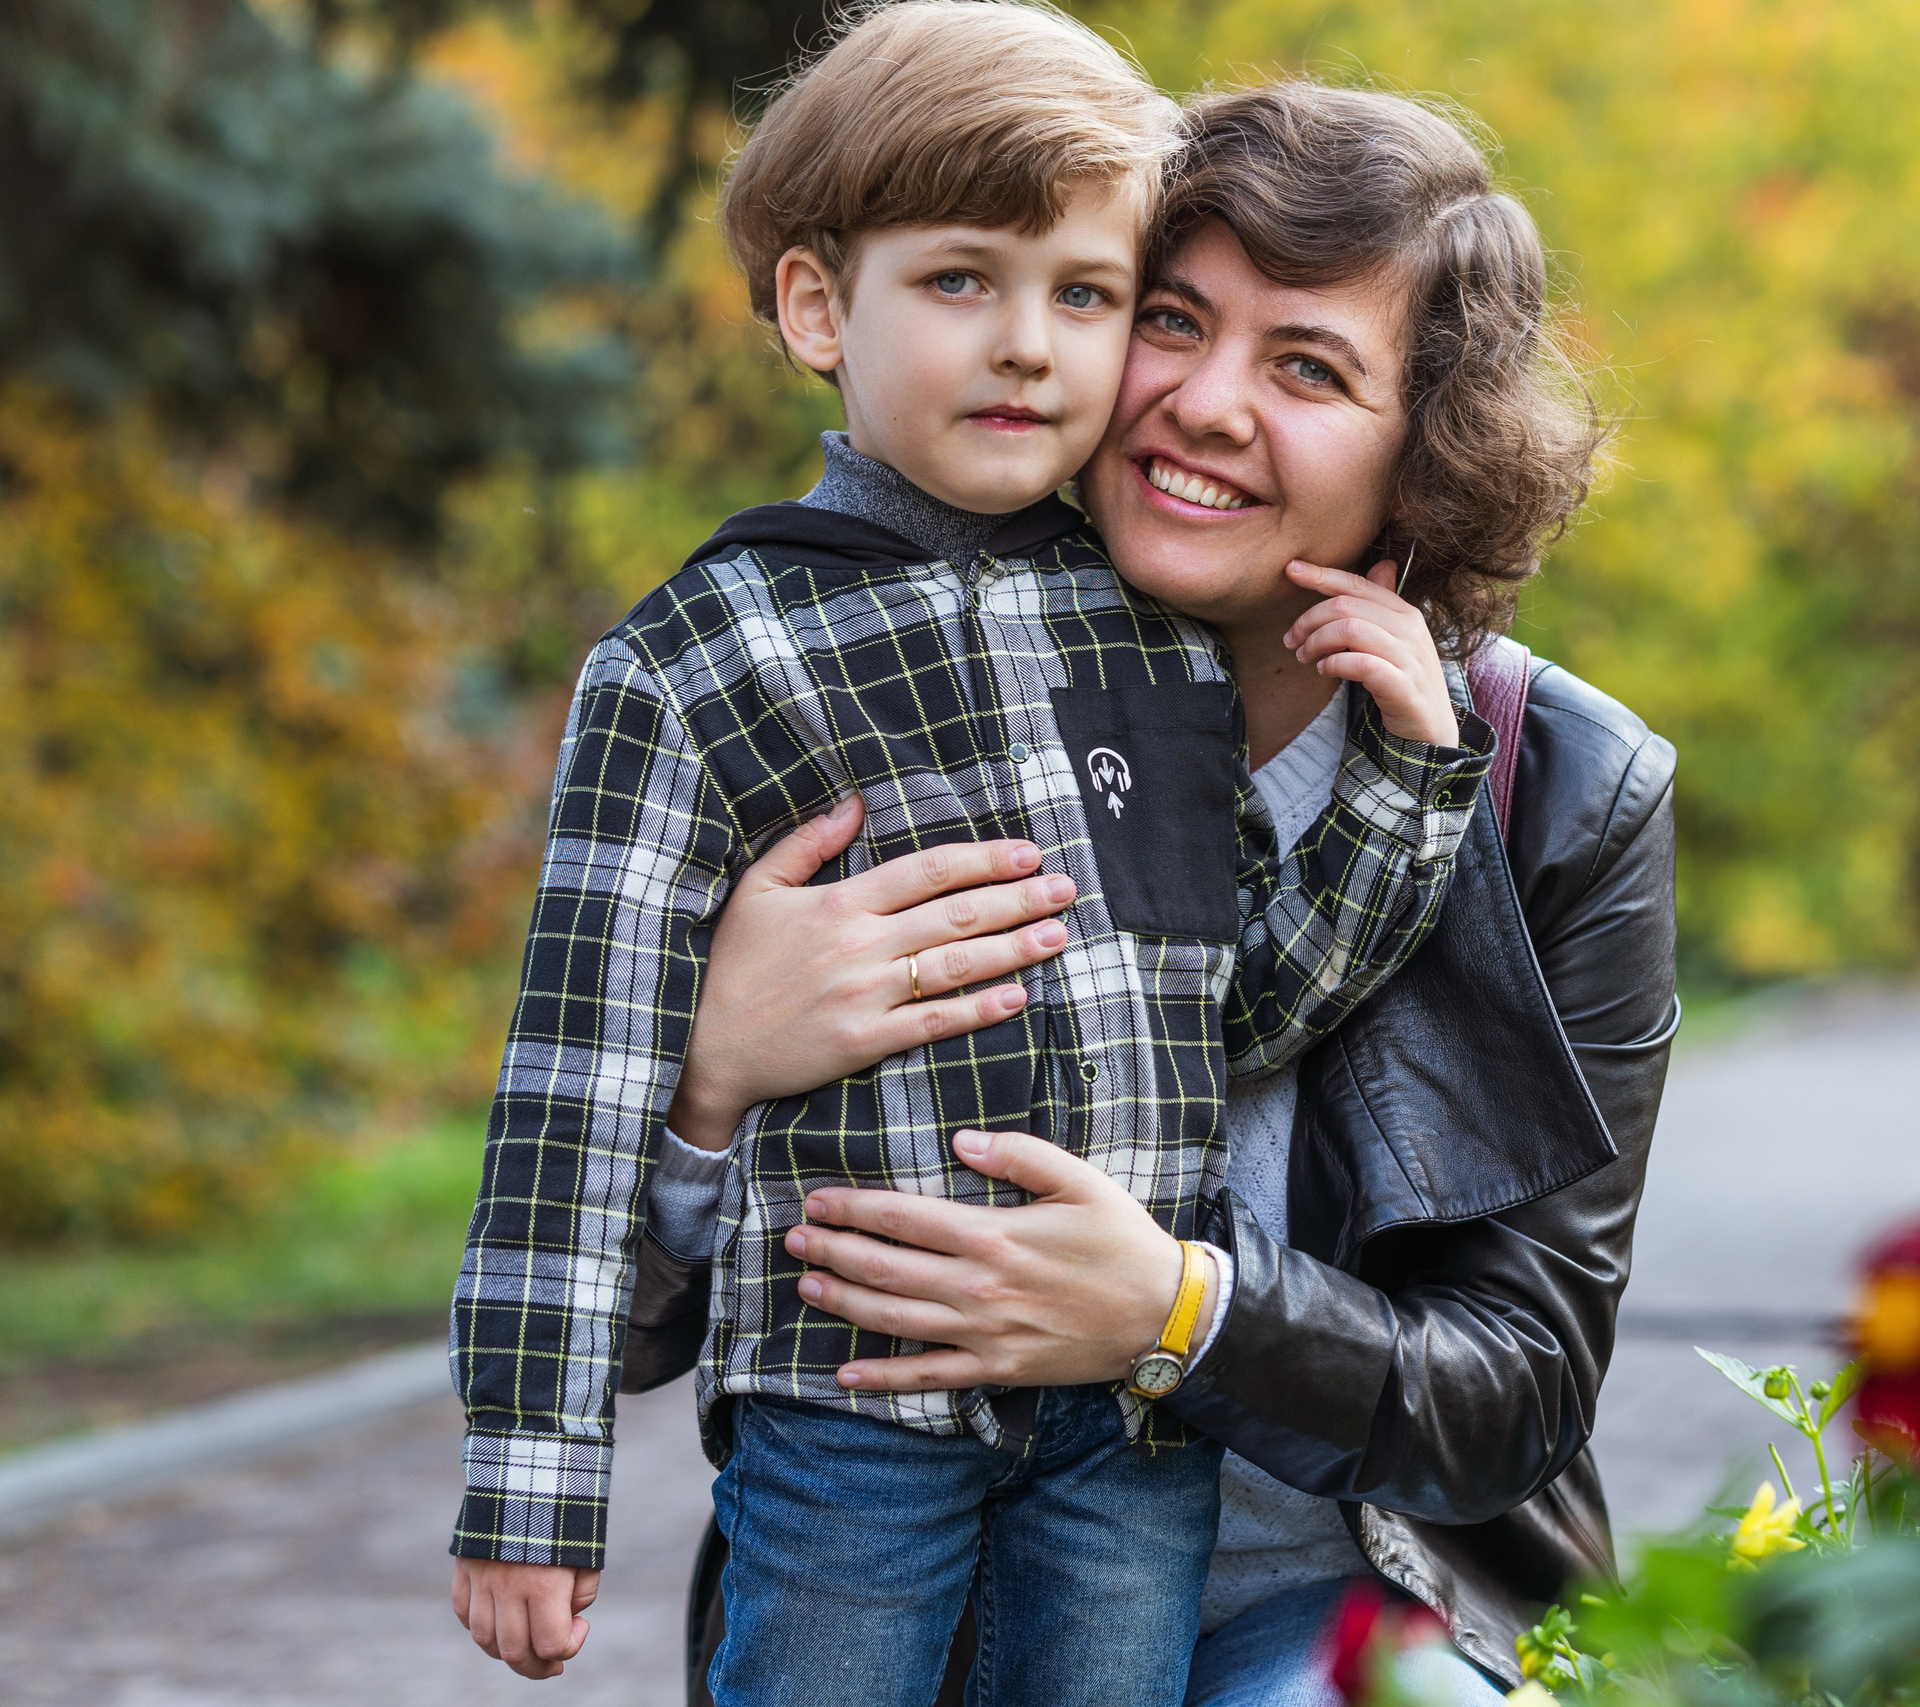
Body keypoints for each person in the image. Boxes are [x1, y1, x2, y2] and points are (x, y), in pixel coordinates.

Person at [442, 10, 1494, 1705]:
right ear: (814, 308)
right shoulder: (699, 661)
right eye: (959, 283)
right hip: (852, 1414)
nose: (1028, 348)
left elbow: (1237, 1008)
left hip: (1123, 1437)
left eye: (1083, 294)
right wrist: (529, 1484)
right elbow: (571, 1100)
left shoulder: (1148, 641)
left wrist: (1409, 779)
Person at [630, 82, 1678, 1707]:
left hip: (1337, 1620)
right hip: (917, 1619)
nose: (1202, 402)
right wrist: (708, 1079)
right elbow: (612, 1324)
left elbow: (1516, 1389)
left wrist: (1178, 1310)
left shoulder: (1560, 790)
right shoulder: (840, 693)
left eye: (1309, 368)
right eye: (1170, 320)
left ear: (1429, 451)